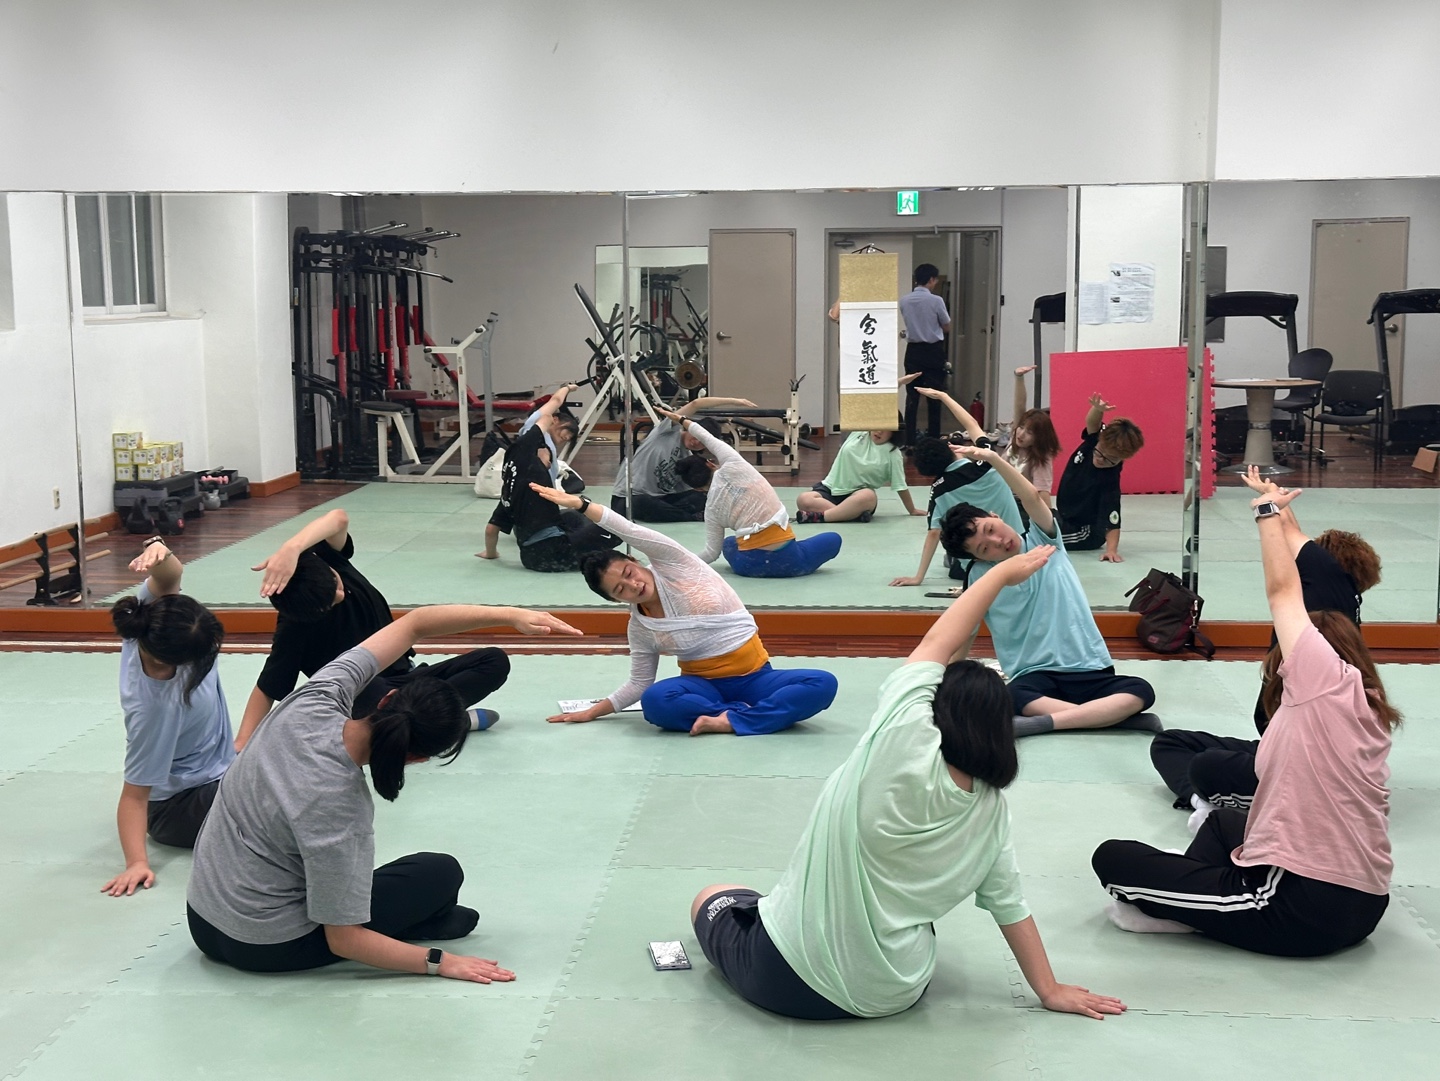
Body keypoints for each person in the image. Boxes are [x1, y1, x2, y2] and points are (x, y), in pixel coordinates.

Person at [689, 547, 1125, 1021]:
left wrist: (998, 575)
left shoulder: (901, 737)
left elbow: (939, 640)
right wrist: (1049, 990)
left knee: (714, 895)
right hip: (892, 993)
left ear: (935, 708)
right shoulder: (991, 813)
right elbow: (1011, 907)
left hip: (784, 977)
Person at [187, 602, 582, 977]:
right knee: (440, 873)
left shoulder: (314, 698)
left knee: (447, 910)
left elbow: (414, 623)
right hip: (269, 945)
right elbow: (344, 939)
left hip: (202, 918)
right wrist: (440, 962)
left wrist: (510, 615)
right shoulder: (342, 807)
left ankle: (426, 922)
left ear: (388, 697)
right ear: (419, 758)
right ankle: (421, 926)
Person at [1091, 483, 1399, 957]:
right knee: (1221, 825)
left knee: (1114, 858)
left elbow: (1283, 592)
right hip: (1366, 901)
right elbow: (1307, 561)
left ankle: (1192, 910)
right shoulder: (1366, 698)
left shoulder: (1320, 684)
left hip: (1303, 907)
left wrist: (1267, 513)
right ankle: (1194, 901)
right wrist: (1283, 516)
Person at [1150, 467, 1382, 821]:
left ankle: (1217, 803)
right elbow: (1293, 535)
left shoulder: (1315, 620)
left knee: (1205, 764)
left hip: (1300, 768)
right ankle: (1204, 800)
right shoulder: (1343, 605)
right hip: (1288, 743)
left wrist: (1266, 509)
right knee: (1171, 742)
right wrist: (1270, 494)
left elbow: (1286, 560)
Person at [531, 484, 838, 735]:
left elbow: (628, 530)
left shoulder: (675, 564)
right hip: (703, 688)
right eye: (620, 590)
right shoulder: (640, 627)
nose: (633, 585)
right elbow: (639, 683)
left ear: (635, 561)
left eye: (629, 573)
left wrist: (581, 505)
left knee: (822, 683)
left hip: (756, 677)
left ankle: (729, 720)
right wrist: (593, 712)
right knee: (655, 702)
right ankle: (746, 716)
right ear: (615, 600)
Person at [236, 508, 510, 751]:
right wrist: (242, 743)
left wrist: (292, 546)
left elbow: (338, 518)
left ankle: (428, 726)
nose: (341, 595)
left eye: (337, 585)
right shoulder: (294, 626)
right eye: (331, 602)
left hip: (407, 679)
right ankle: (451, 723)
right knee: (372, 693)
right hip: (372, 699)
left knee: (494, 661)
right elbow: (268, 687)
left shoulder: (325, 556)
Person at [938, 444, 1158, 736]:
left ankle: (1048, 722)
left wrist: (992, 458)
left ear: (995, 515)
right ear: (976, 559)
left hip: (1089, 668)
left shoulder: (1044, 539)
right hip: (1034, 678)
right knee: (1014, 695)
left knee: (1141, 690)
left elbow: (1031, 496)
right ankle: (1109, 718)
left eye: (990, 529)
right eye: (984, 548)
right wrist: (946, 685)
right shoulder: (981, 578)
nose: (998, 542)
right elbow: (964, 632)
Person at [103, 538, 233, 898]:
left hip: (220, 769)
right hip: (178, 807)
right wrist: (136, 862)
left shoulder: (153, 623)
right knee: (280, 800)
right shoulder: (155, 708)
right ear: (175, 661)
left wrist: (158, 549)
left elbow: (170, 575)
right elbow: (134, 796)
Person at [660, 408, 842, 578]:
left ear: (697, 488)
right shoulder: (734, 463)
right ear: (710, 463)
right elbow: (706, 437)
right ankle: (790, 548)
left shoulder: (711, 510)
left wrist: (679, 564)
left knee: (728, 543)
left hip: (748, 566)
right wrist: (681, 419)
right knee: (833, 539)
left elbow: (711, 553)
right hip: (789, 561)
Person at [887, 388, 1023, 588]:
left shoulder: (938, 491)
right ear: (951, 447)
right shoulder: (987, 462)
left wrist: (918, 577)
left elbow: (934, 533)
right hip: (1018, 546)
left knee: (956, 547)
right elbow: (972, 424)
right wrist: (944, 397)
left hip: (978, 564)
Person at [481, 384, 621, 571]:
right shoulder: (534, 448)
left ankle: (582, 548)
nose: (549, 456)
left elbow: (491, 529)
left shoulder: (510, 486)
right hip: (553, 552)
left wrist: (490, 553)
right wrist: (564, 392)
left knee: (575, 517)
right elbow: (550, 410)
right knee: (617, 526)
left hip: (529, 556)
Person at [611, 395, 757, 522]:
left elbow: (703, 490)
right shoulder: (666, 432)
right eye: (696, 436)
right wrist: (735, 401)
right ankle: (690, 517)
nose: (696, 442)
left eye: (702, 443)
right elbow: (696, 404)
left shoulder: (689, 461)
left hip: (661, 498)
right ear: (689, 428)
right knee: (644, 502)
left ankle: (681, 515)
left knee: (702, 499)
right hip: (628, 498)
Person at [1054, 392, 1144, 562]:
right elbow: (1092, 422)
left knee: (1041, 536)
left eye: (1111, 459)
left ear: (1121, 459)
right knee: (1028, 516)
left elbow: (1113, 520)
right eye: (1100, 452)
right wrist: (1097, 409)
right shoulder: (1094, 440)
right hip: (1065, 516)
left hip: (1085, 532)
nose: (1101, 460)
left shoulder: (1109, 480)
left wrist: (1111, 550)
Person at [795, 426, 925, 524]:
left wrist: (912, 510)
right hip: (830, 489)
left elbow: (900, 486)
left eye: (885, 428)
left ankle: (822, 517)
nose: (879, 431)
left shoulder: (893, 453)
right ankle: (850, 516)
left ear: (894, 431)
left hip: (858, 497)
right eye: (877, 425)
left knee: (868, 495)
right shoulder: (859, 432)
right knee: (803, 499)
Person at [899, 263, 952, 447]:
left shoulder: (904, 300)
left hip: (913, 352)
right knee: (935, 396)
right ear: (931, 279)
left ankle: (910, 441)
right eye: (935, 280)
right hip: (933, 351)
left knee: (912, 397)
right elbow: (946, 326)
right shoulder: (936, 301)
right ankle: (934, 440)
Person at [1006, 366, 1061, 507]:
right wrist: (1019, 377)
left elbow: (1042, 493)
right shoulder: (1016, 437)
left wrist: (1049, 519)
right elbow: (1020, 405)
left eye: (1029, 432)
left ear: (1039, 438)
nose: (1021, 434)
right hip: (998, 495)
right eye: (1021, 427)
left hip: (1018, 505)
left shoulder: (1041, 458)